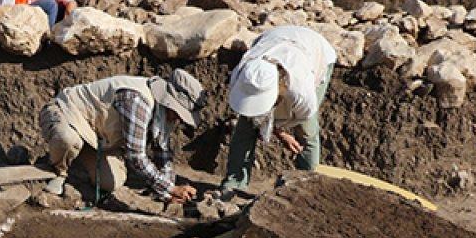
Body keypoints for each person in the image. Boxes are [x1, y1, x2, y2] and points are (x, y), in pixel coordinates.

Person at [40, 70, 205, 202]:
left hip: (97, 138)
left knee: (111, 182)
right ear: (171, 102)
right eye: (181, 114)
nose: (179, 120)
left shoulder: (165, 113)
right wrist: (171, 188)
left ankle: (76, 163)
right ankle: (58, 170)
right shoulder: (137, 100)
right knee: (68, 139)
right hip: (68, 113)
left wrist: (168, 193)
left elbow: (162, 152)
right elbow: (135, 156)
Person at [221, 26, 337, 194]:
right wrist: (280, 133)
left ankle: (305, 187)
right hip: (273, 40)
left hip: (315, 51)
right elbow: (254, 116)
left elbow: (302, 116)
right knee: (245, 127)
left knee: (306, 132)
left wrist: (279, 129)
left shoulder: (301, 91)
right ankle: (234, 183)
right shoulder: (243, 76)